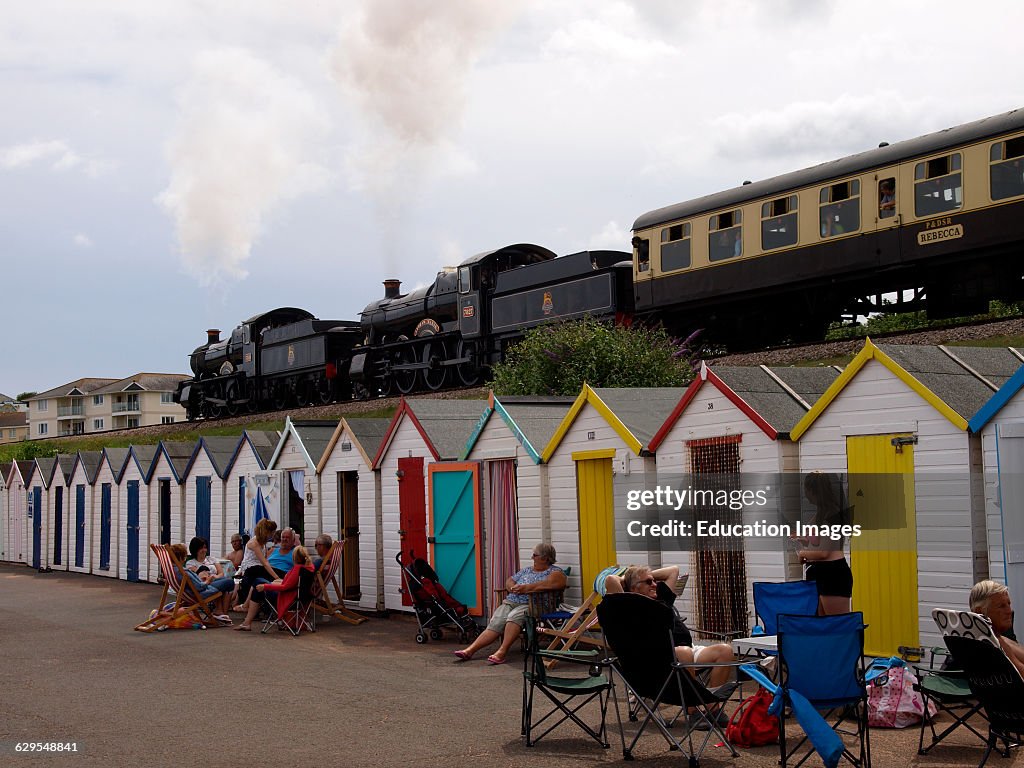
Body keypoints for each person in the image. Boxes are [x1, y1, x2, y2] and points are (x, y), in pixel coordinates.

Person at [605, 565, 736, 688]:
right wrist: (630, 578)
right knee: (683, 652)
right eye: (649, 582)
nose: (654, 584)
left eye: (654, 581)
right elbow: (611, 580)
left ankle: (712, 704)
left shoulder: (661, 597)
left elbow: (673, 571)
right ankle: (691, 702)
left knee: (725, 651)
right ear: (633, 588)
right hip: (658, 658)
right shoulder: (627, 606)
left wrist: (645, 576)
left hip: (687, 650)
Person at [453, 543, 566, 665]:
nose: (532, 558)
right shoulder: (527, 570)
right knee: (496, 622)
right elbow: (510, 580)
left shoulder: (555, 572)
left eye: (535, 555)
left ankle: (502, 652)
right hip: (511, 602)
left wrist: (526, 588)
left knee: (513, 617)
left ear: (545, 558)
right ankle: (470, 650)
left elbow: (554, 584)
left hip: (533, 605)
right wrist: (512, 587)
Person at [795, 472, 853, 615]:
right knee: (821, 624)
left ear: (814, 490)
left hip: (832, 575)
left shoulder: (832, 515)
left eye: (806, 489)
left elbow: (824, 552)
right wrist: (805, 541)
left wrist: (802, 553)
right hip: (819, 573)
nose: (805, 494)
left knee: (836, 623)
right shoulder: (820, 514)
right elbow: (819, 543)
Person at [234, 545, 316, 632]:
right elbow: (291, 584)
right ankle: (246, 619)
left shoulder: (297, 569)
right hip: (299, 598)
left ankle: (246, 620)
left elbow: (285, 587)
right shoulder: (309, 569)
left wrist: (266, 586)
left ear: (294, 557)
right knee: (258, 584)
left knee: (258, 582)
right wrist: (275, 582)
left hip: (288, 598)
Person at [969, 580, 1024, 676]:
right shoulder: (995, 645)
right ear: (980, 612)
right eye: (1001, 606)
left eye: (1009, 604)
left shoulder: (1002, 638)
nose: (1009, 611)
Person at [171, 543, 234, 619]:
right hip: (200, 592)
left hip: (192, 592)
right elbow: (200, 587)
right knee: (229, 582)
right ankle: (220, 612)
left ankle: (219, 611)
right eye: (184, 556)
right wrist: (208, 581)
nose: (185, 558)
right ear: (181, 557)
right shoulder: (183, 572)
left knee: (223, 580)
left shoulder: (174, 570)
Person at [233, 519, 278, 610]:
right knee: (260, 576)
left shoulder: (263, 543)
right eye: (272, 532)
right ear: (266, 532)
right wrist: (277, 577)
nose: (273, 534)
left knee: (266, 575)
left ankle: (247, 605)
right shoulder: (254, 543)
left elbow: (265, 561)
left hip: (258, 567)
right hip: (250, 569)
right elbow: (264, 562)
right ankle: (246, 605)